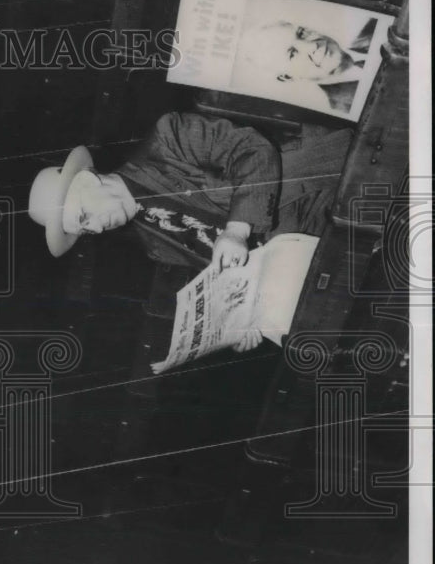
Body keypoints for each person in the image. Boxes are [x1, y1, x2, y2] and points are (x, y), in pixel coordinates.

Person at [28, 111, 352, 351]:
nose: (96, 228)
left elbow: (254, 150)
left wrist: (237, 230)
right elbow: (234, 272)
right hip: (308, 255)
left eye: (85, 215)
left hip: (326, 191)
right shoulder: (152, 243)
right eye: (85, 230)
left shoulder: (168, 139)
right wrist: (244, 317)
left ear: (86, 180)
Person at [237, 18, 378, 113]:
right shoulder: (346, 109)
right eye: (292, 54)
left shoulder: (375, 26)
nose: (312, 46)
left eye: (301, 34)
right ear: (287, 77)